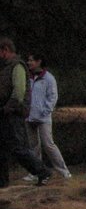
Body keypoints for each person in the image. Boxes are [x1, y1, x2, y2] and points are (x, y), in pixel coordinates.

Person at [0, 37, 51, 187]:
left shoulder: (17, 67)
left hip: (12, 114)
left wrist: (7, 108)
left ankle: (42, 171)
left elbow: (19, 92)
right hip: (4, 113)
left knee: (17, 148)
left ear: (5, 50)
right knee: (1, 148)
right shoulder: (5, 68)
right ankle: (2, 181)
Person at [23, 52, 71, 180]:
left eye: (31, 60)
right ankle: (35, 172)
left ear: (39, 62)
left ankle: (63, 171)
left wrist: (45, 111)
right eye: (28, 60)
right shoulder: (28, 77)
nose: (29, 63)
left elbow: (53, 97)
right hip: (29, 116)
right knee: (33, 146)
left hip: (43, 118)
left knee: (48, 144)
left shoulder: (49, 78)